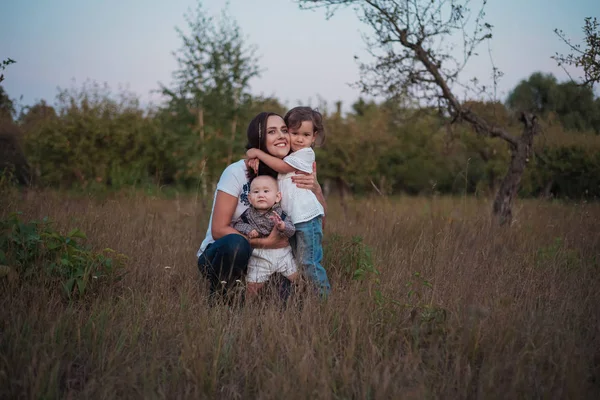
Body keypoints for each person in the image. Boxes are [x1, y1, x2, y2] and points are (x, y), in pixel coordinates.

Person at [196, 111, 326, 302]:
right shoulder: (236, 171)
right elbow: (218, 230)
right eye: (272, 131)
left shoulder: (288, 176)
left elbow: (318, 227)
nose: (281, 136)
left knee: (292, 301)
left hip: (270, 259)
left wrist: (317, 190)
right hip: (225, 253)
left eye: (284, 130)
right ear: (259, 138)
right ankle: (220, 299)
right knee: (235, 245)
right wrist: (266, 243)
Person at [246, 107, 331, 297]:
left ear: (314, 136)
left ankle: (324, 301)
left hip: (307, 219)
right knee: (298, 262)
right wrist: (254, 161)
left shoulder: (305, 154)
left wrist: (257, 154)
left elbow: (282, 166)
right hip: (294, 220)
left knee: (309, 263)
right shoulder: (290, 156)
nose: (299, 139)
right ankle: (305, 297)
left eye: (306, 134)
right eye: (294, 133)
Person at [233, 175, 298, 297]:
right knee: (252, 286)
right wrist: (248, 229)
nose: (261, 195)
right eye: (256, 192)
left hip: (283, 254)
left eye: (266, 191)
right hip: (259, 256)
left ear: (277, 197)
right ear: (250, 198)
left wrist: (282, 226)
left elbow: (292, 230)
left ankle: (307, 296)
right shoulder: (247, 214)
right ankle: (246, 308)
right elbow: (237, 225)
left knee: (297, 278)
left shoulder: (280, 214)